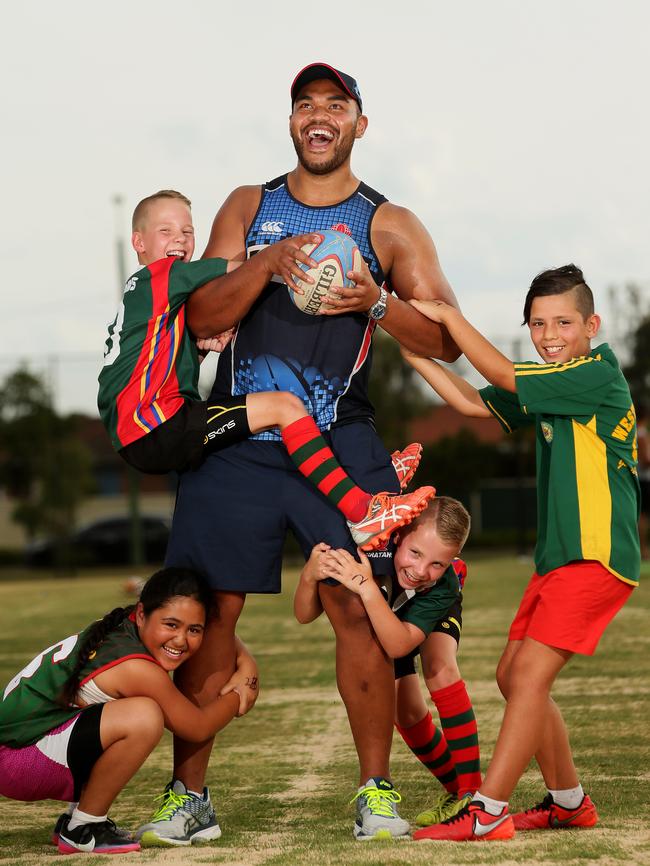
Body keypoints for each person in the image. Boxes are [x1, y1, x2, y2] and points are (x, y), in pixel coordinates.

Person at [151, 62, 461, 843]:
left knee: (356, 603)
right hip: (242, 431)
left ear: (360, 124)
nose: (318, 116)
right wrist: (265, 261)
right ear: (291, 122)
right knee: (209, 610)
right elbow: (197, 319)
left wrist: (376, 302)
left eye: (336, 104)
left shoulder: (387, 224)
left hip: (338, 433)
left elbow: (445, 339)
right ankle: (190, 800)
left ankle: (375, 793)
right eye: (304, 105)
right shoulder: (249, 207)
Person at [399, 264, 639, 842]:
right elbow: (473, 404)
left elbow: (505, 375)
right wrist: (410, 348)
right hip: (559, 561)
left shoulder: (594, 374)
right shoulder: (558, 382)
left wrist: (451, 318)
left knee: (527, 677)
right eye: (537, 323)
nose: (550, 334)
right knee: (513, 676)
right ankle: (568, 803)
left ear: (592, 325)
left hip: (594, 558)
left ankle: (487, 810)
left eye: (563, 322)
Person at [97, 189, 434, 550]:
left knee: (262, 424)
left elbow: (148, 366)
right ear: (138, 241)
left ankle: (366, 475)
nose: (179, 239)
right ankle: (363, 513)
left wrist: (194, 351)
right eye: (165, 231)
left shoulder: (148, 296)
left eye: (187, 232)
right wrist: (303, 262)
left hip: (142, 428)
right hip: (156, 427)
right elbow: (244, 269)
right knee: (284, 407)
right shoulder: (165, 275)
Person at [0, 567, 257, 854]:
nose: (181, 640)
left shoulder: (124, 625)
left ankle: (76, 819)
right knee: (143, 717)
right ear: (143, 613)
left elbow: (223, 636)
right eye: (171, 625)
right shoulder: (137, 668)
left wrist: (248, 664)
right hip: (16, 760)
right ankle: (84, 827)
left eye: (194, 630)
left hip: (25, 747)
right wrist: (241, 692)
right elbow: (196, 727)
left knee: (121, 713)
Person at [294, 496, 482, 837]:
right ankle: (455, 789)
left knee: (440, 668)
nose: (421, 570)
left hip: (423, 606)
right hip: (388, 610)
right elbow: (303, 615)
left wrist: (366, 588)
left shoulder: (439, 583)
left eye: (438, 562)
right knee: (405, 711)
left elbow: (399, 643)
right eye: (415, 554)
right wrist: (310, 575)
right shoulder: (371, 545)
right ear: (399, 535)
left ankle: (472, 797)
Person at [635, 404, 650, 559]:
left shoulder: (632, 432)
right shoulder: (641, 433)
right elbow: (645, 460)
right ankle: (643, 550)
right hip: (644, 479)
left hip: (639, 478)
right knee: (643, 516)